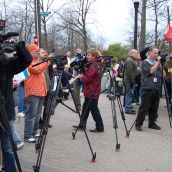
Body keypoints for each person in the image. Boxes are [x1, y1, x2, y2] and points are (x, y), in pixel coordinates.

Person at [0, 41, 32, 172]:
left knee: (8, 147)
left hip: (5, 111)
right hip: (6, 110)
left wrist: (19, 46)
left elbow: (26, 59)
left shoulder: (6, 64)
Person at [73, 48, 104, 132]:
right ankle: (82, 124)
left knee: (94, 109)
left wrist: (82, 77)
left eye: (89, 55)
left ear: (94, 56)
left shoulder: (94, 65)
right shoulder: (96, 64)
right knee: (85, 108)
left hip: (92, 90)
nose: (87, 56)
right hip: (92, 89)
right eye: (87, 54)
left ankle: (100, 127)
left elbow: (88, 79)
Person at [24, 44, 50, 143]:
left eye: (38, 51)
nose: (38, 53)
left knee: (37, 114)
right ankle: (27, 135)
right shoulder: (28, 61)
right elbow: (37, 70)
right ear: (30, 52)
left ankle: (34, 132)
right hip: (33, 91)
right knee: (31, 114)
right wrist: (47, 63)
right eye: (36, 51)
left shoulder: (37, 61)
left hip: (40, 91)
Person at [135, 47, 165, 131]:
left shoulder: (157, 63)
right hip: (147, 88)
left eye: (157, 53)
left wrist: (160, 63)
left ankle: (152, 123)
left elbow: (164, 75)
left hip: (156, 88)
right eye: (155, 53)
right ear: (150, 53)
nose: (157, 55)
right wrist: (157, 63)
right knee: (144, 107)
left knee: (154, 108)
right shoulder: (145, 62)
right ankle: (138, 124)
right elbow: (151, 71)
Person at [124, 49, 138, 114]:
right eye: (136, 53)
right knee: (129, 95)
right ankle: (128, 109)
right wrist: (133, 81)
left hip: (129, 80)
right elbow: (130, 72)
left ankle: (128, 107)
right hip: (129, 81)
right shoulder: (130, 60)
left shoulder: (131, 60)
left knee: (129, 94)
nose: (137, 54)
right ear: (132, 53)